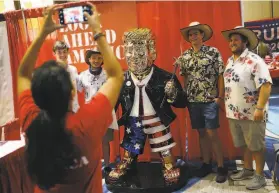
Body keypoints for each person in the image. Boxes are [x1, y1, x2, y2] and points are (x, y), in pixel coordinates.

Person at [17, 3, 123, 193]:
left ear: (36, 96)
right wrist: (97, 31)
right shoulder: (87, 122)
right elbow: (117, 75)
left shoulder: (31, 121)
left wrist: (41, 34)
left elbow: (23, 74)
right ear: (72, 92)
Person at [107, 28, 188, 186]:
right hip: (133, 120)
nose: (134, 56)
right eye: (129, 50)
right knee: (130, 144)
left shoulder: (164, 77)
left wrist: (172, 94)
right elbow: (113, 101)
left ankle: (168, 164)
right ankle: (126, 162)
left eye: (139, 50)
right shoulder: (121, 79)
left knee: (163, 145)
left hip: (156, 119)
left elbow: (182, 102)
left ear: (151, 52)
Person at [222, 26, 272, 190]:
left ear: (245, 41)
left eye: (236, 39)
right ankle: (248, 169)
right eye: (231, 40)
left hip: (252, 113)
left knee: (256, 145)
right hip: (234, 112)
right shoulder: (230, 61)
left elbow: (265, 85)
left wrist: (259, 109)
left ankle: (259, 176)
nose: (232, 43)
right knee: (243, 144)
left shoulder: (255, 60)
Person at [178, 21, 227, 183]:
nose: (193, 37)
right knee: (201, 133)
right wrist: (184, 95)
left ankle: (221, 166)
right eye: (190, 34)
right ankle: (206, 164)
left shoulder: (213, 52)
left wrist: (220, 96)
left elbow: (220, 74)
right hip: (193, 101)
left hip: (210, 100)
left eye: (196, 33)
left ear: (202, 35)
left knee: (212, 133)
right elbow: (184, 76)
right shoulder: (185, 56)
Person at [77, 49, 118, 173]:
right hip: (89, 113)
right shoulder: (82, 76)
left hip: (105, 112)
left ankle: (106, 166)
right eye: (93, 58)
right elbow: (77, 94)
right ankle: (93, 167)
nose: (96, 61)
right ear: (89, 59)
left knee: (105, 141)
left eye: (99, 58)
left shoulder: (108, 75)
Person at [52, 40, 79, 113]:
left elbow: (76, 90)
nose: (63, 55)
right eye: (59, 52)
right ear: (54, 53)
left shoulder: (73, 69)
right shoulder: (52, 72)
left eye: (64, 52)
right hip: (60, 113)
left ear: (68, 52)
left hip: (75, 110)